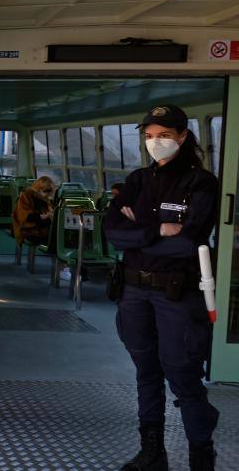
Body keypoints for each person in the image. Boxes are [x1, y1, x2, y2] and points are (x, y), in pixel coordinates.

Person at [104, 105, 219, 471]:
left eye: (165, 135)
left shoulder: (201, 183)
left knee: (182, 371)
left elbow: (189, 242)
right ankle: (152, 453)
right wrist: (157, 231)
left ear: (183, 137)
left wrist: (137, 233)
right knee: (146, 372)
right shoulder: (137, 180)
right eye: (150, 136)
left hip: (177, 294)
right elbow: (111, 233)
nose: (156, 142)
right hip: (134, 292)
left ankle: (202, 453)